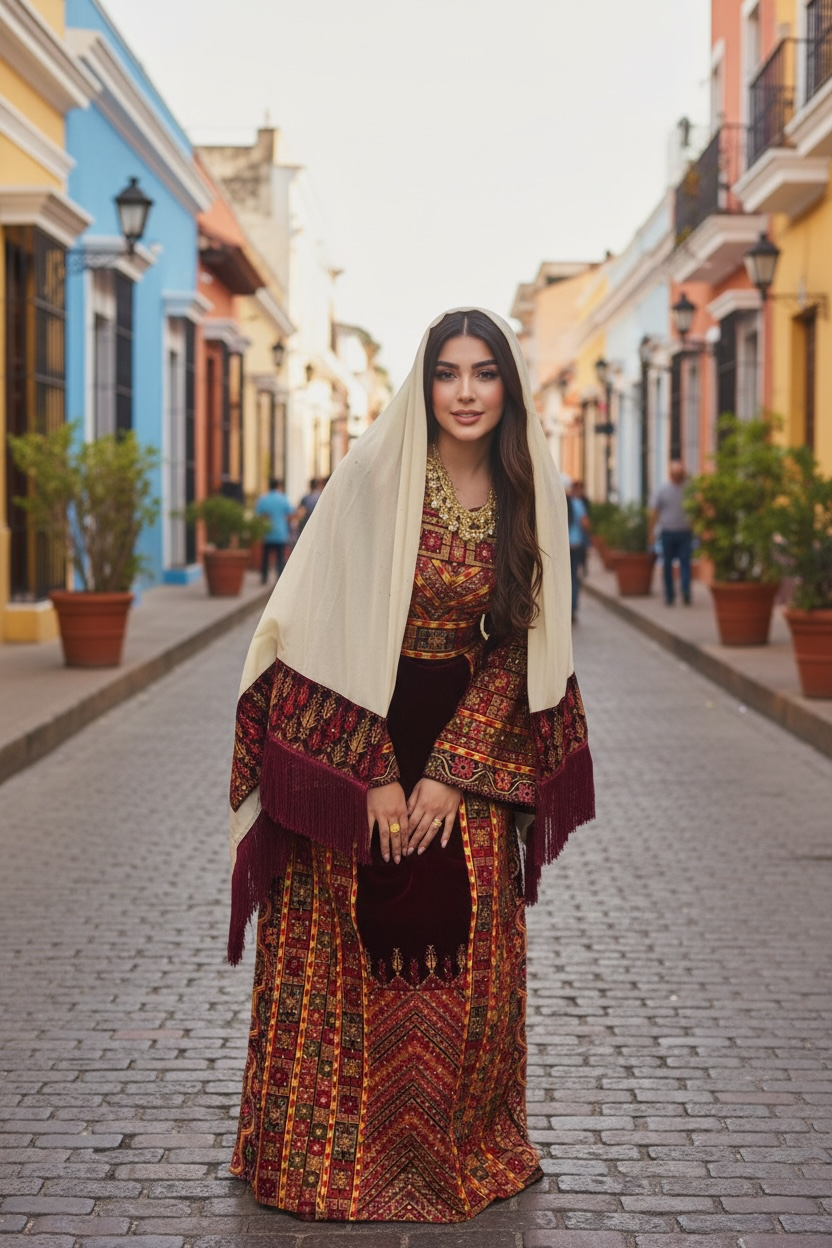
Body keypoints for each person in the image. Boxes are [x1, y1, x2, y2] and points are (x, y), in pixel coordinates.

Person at [227, 308, 595, 1223]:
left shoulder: (524, 491)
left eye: (484, 373)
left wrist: (451, 771)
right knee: (339, 935)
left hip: (464, 734)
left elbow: (520, 643)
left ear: (507, 387)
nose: (466, 393)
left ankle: (450, 1153)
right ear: (424, 385)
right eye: (448, 373)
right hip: (360, 724)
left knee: (472, 936)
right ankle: (322, 1157)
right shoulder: (372, 477)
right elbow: (314, 623)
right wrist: (375, 772)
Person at [649, 460, 693, 606]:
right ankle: (670, 595)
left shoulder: (689, 490)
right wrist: (651, 531)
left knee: (684, 563)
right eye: (676, 472)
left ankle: (685, 590)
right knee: (668, 564)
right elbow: (654, 511)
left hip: (684, 532)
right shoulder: (663, 489)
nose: (678, 475)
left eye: (679, 472)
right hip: (667, 532)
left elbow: (696, 509)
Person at [254, 478, 294, 583]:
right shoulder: (283, 498)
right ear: (278, 486)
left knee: (265, 557)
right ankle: (280, 579)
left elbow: (258, 515)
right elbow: (290, 512)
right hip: (280, 533)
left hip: (267, 533)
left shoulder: (263, 499)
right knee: (280, 558)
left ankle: (264, 577)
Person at [567, 479, 590, 622]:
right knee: (574, 578)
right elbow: (585, 523)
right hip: (575, 545)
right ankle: (572, 608)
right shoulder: (579, 504)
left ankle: (566, 609)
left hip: (564, 546)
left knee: (566, 578)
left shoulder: (563, 502)